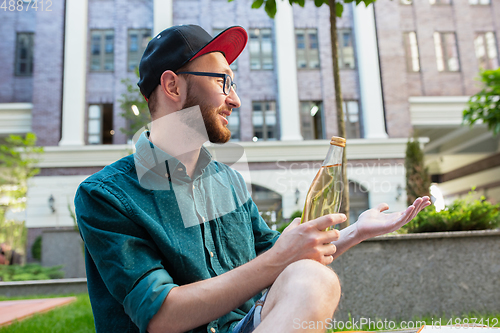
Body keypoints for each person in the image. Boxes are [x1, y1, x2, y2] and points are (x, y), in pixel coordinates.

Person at [74, 24, 430, 333]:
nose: (236, 100)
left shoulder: (227, 181)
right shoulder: (105, 195)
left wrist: (355, 231)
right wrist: (279, 258)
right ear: (172, 86)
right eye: (223, 81)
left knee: (313, 279)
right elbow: (161, 316)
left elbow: (282, 255)